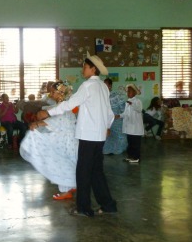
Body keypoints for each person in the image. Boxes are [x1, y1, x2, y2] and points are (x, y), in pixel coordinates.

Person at [37, 54, 116, 217]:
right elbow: (109, 112)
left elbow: (69, 104)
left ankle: (83, 208)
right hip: (99, 136)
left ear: (93, 69)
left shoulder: (87, 86)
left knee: (83, 172)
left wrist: (48, 112)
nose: (82, 70)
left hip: (88, 135)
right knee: (97, 172)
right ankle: (108, 205)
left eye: (85, 67)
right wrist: (107, 126)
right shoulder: (102, 87)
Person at [20, 81, 78, 200]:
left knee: (62, 162)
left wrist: (37, 123)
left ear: (61, 93)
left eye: (53, 92)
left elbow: (59, 121)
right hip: (66, 138)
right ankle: (71, 185)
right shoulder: (62, 105)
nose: (51, 94)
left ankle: (66, 191)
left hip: (66, 140)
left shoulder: (64, 106)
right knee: (69, 162)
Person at [115, 84, 144, 164]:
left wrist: (132, 104)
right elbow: (125, 114)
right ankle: (130, 156)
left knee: (136, 144)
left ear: (135, 92)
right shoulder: (127, 102)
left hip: (136, 128)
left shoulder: (137, 101)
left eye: (130, 91)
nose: (128, 93)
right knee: (130, 144)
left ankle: (136, 158)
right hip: (129, 128)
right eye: (127, 92)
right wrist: (118, 116)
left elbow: (139, 109)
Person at [103, 78, 127, 155]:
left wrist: (119, 115)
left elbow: (123, 108)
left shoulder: (117, 95)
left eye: (106, 85)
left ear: (110, 86)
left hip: (117, 120)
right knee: (106, 137)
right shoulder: (101, 96)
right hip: (106, 121)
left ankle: (118, 150)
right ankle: (107, 150)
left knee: (119, 136)